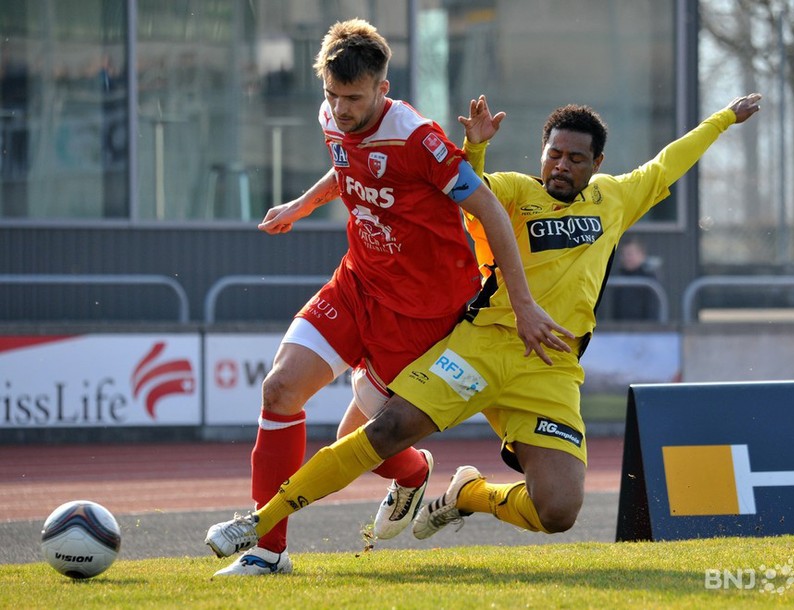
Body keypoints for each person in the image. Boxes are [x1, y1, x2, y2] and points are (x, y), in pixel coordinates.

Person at [206, 92, 762, 560]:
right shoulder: (517, 191)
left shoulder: (615, 199)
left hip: (549, 370)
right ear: (542, 154)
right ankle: (259, 524)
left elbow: (670, 161)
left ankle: (466, 494)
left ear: (597, 163)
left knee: (559, 511)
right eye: (554, 154)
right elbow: (464, 193)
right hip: (478, 347)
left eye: (575, 158)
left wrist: (723, 119)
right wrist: (476, 146)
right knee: (382, 433)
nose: (561, 166)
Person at [215, 19, 570, 577]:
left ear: (383, 88)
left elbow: (490, 211)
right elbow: (346, 166)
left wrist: (522, 304)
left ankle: (413, 473)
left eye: (353, 99)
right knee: (280, 389)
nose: (340, 109)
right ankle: (268, 552)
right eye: (332, 95)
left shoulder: (418, 139)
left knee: (357, 440)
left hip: (423, 315)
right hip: (357, 283)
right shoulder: (332, 115)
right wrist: (301, 205)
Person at [610, 238, 662, 321]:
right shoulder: (618, 279)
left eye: (630, 254)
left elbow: (652, 310)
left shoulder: (649, 280)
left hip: (645, 327)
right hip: (622, 327)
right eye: (623, 254)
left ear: (642, 255)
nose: (626, 258)